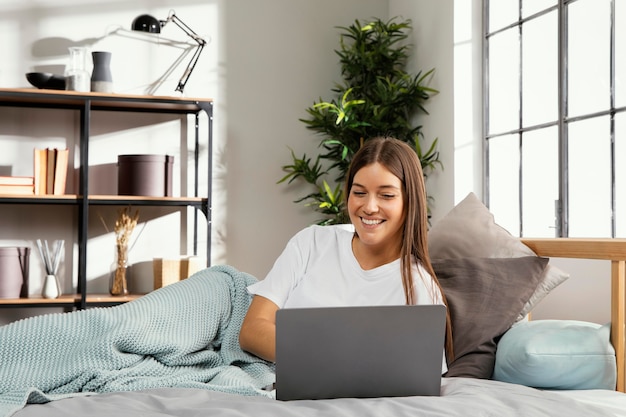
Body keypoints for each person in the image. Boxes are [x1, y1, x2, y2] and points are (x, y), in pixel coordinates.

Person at [239, 136, 454, 369]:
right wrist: (328, 359)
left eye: (387, 195)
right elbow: (252, 329)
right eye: (359, 193)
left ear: (409, 202)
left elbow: (420, 373)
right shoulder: (311, 242)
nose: (369, 207)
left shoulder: (419, 287)